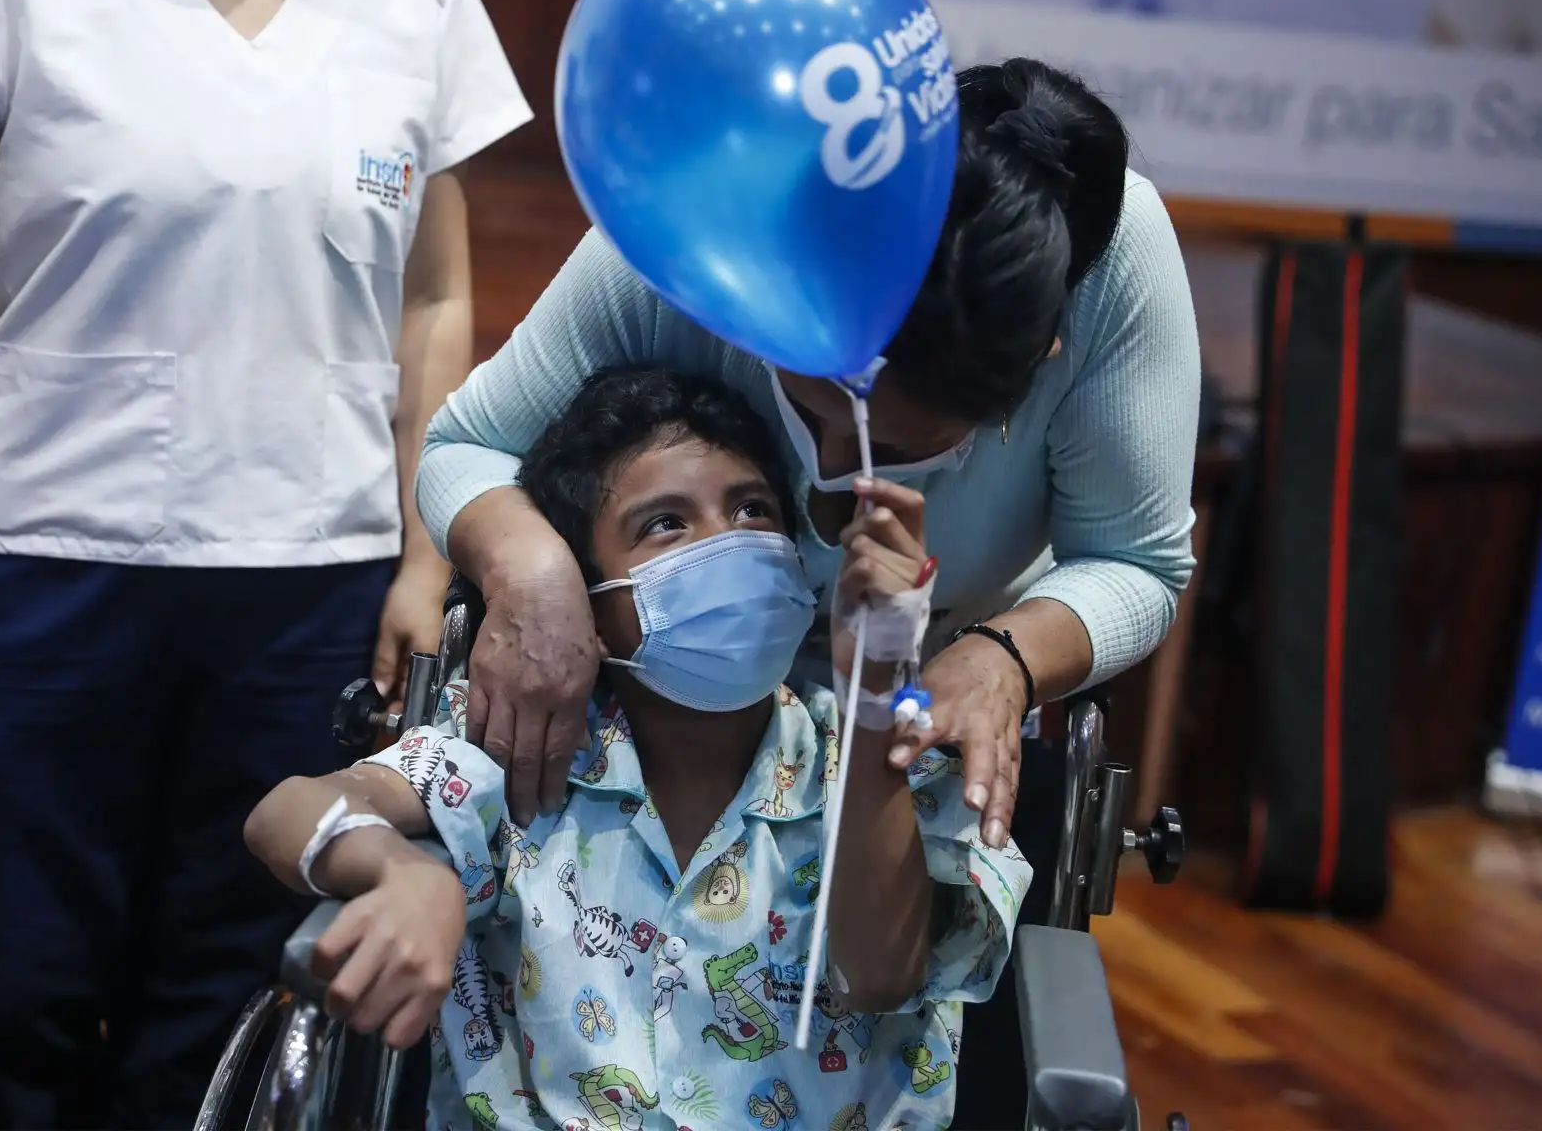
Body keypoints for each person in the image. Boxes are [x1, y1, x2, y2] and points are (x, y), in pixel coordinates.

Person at [0, 0, 530, 1125]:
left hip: (310, 591)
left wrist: (425, 554)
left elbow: (433, 302)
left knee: (226, 1004)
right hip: (40, 569)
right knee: (6, 987)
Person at [418, 58, 1201, 852]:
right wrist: (532, 574)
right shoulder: (700, 226)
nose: (827, 471)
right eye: (805, 401)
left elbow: (1134, 562)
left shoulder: (1107, 265)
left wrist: (1006, 658)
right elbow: (468, 446)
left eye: (890, 448)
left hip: (905, 742)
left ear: (1035, 373)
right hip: (643, 733)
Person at [244, 367, 1032, 1129]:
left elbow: (881, 977)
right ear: (588, 602)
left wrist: (874, 695)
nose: (729, 546)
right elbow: (285, 813)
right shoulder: (526, 753)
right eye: (666, 524)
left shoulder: (886, 759)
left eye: (754, 510)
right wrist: (403, 871)